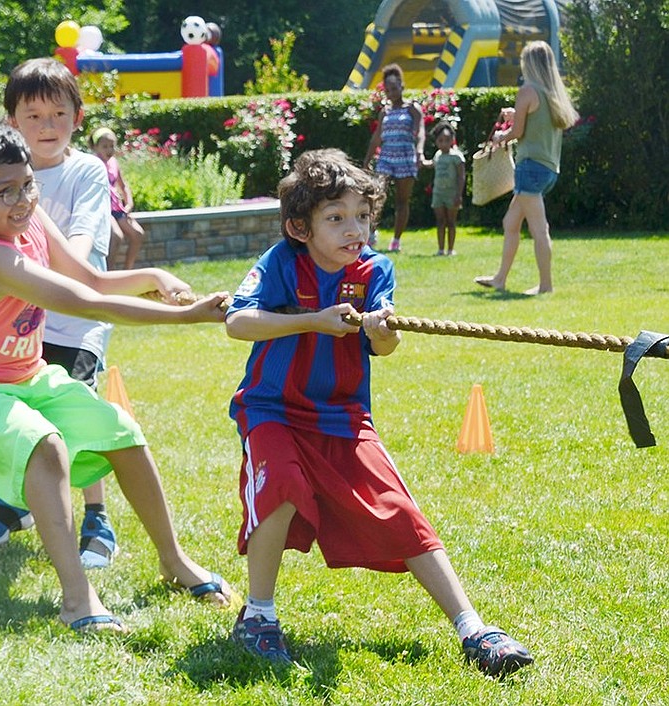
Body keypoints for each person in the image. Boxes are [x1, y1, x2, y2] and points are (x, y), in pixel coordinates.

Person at [224, 148, 533, 677]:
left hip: (344, 418)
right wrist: (314, 320)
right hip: (271, 410)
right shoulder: (280, 263)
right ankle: (258, 616)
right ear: (301, 227)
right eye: (336, 218)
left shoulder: (375, 270)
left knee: (400, 509)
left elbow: (383, 347)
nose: (354, 230)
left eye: (362, 217)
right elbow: (238, 323)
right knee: (280, 488)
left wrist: (382, 331)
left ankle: (474, 629)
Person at [0, 116, 234, 632]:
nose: (23, 199)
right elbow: (91, 303)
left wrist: (152, 276)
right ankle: (77, 597)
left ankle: (174, 561)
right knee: (45, 445)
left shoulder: (28, 221)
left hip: (24, 374)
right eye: (5, 192)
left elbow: (91, 277)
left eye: (28, 184)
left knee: (123, 433)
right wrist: (185, 315)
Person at [0, 59, 121, 570]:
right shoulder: (2, 173)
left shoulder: (87, 171)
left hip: (75, 318)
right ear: (11, 122)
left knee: (79, 412)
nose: (47, 126)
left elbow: (80, 246)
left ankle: (96, 515)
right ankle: (16, 499)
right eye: (33, 116)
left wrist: (24, 265)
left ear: (78, 116)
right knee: (18, 413)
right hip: (18, 325)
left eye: (59, 112)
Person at [474, 41, 578, 296]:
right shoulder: (552, 93)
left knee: (539, 229)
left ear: (528, 63)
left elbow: (517, 132)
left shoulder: (527, 90)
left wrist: (499, 138)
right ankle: (500, 279)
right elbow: (531, 123)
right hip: (548, 168)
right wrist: (515, 114)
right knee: (510, 222)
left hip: (530, 167)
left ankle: (545, 286)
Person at [363, 64, 424, 253]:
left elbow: (421, 131)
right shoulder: (385, 112)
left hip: (406, 158)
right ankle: (371, 235)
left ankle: (396, 240)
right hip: (386, 158)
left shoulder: (412, 108)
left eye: (394, 88)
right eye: (387, 90)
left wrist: (420, 152)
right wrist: (367, 160)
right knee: (376, 196)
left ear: (402, 86)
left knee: (401, 201)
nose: (391, 93)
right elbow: (376, 138)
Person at [89, 126, 146, 270]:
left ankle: (128, 270)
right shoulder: (93, 163)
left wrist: (129, 203)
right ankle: (108, 273)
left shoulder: (114, 162)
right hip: (103, 208)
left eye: (112, 146)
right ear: (96, 147)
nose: (109, 150)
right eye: (105, 146)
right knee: (116, 236)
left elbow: (123, 184)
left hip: (116, 206)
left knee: (137, 234)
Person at [421, 120, 465, 256]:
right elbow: (432, 164)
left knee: (451, 222)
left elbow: (461, 176)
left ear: (452, 140)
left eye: (447, 140)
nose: (444, 143)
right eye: (441, 140)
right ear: (437, 142)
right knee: (440, 221)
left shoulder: (457, 157)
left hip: (452, 194)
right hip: (438, 193)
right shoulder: (438, 155)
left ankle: (451, 249)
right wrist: (422, 161)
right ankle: (440, 249)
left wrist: (459, 194)